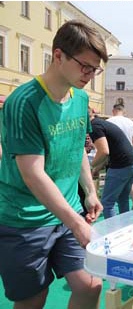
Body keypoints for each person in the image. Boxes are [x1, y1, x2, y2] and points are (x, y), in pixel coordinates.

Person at [0, 20, 107, 309]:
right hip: (25, 220)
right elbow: (33, 175)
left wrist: (90, 191)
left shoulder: (81, 98)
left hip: (68, 211)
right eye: (85, 66)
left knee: (91, 285)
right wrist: (76, 223)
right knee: (33, 299)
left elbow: (75, 152)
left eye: (95, 69)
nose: (90, 75)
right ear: (58, 55)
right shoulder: (23, 102)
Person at [89, 111, 133, 219]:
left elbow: (104, 152)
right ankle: (125, 229)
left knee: (107, 203)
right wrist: (97, 169)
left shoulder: (94, 126)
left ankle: (113, 232)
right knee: (123, 198)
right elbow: (108, 153)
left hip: (121, 165)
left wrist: (90, 166)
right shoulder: (101, 123)